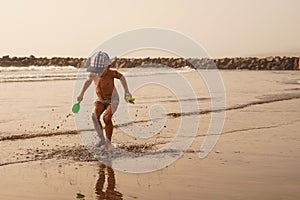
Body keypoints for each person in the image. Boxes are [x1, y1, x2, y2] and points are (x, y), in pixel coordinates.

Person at [77, 51, 132, 151]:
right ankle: (102, 139)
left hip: (113, 100)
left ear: (107, 66)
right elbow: (87, 82)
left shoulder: (111, 73)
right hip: (100, 100)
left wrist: (127, 92)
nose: (98, 72)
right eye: (95, 70)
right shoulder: (93, 74)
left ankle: (108, 142)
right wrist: (81, 94)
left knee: (106, 118)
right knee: (94, 116)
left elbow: (122, 77)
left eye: (100, 70)